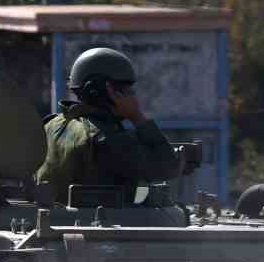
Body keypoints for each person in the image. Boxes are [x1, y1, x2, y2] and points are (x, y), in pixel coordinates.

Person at [35, 47, 181, 204]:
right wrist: (137, 117)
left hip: (54, 220)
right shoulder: (106, 139)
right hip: (97, 224)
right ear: (99, 91)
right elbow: (169, 167)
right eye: (124, 90)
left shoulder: (49, 125)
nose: (131, 96)